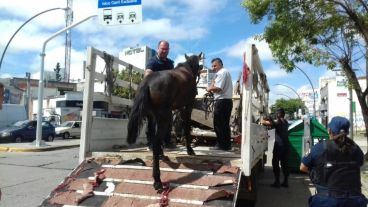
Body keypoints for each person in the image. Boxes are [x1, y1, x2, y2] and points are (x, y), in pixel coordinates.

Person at [300, 116, 367, 207]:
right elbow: (360, 164)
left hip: (327, 201)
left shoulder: (320, 147)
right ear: (347, 132)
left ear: (329, 130)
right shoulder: (355, 148)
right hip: (354, 200)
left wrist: (317, 174)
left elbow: (303, 167)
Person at [145, 40, 176, 150]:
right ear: (158, 48)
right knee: (152, 120)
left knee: (168, 120)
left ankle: (166, 142)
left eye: (166, 49)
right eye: (162, 48)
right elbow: (147, 73)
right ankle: (151, 143)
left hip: (166, 98)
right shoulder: (153, 61)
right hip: (154, 96)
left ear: (169, 50)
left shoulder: (170, 63)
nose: (164, 51)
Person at [206, 57, 233, 151]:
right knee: (225, 124)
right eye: (212, 66)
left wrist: (209, 89)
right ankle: (226, 145)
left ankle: (221, 145)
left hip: (222, 101)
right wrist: (213, 84)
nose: (213, 68)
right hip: (226, 101)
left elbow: (218, 88)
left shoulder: (221, 73)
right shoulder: (224, 72)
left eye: (215, 65)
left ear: (221, 64)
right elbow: (216, 85)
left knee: (218, 124)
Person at [261, 108, 289, 188]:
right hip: (286, 145)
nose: (276, 115)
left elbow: (267, 123)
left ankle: (277, 182)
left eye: (277, 113)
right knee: (285, 164)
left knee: (275, 163)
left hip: (279, 146)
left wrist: (264, 120)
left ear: (278, 114)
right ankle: (285, 182)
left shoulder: (278, 121)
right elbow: (273, 123)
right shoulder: (286, 122)